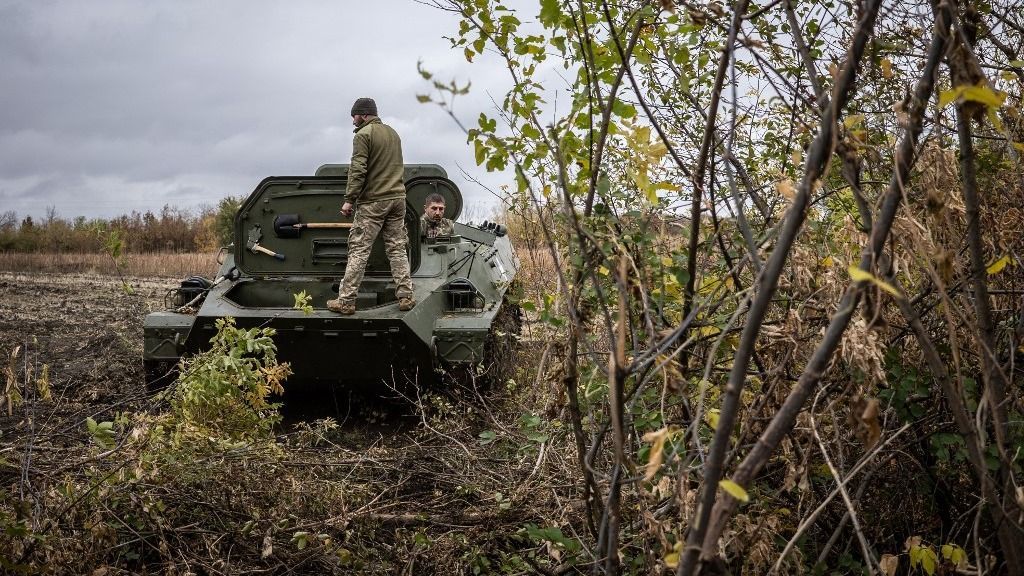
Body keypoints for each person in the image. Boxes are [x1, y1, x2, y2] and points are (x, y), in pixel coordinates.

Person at [327, 98, 415, 315]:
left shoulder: (363, 135)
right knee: (396, 248)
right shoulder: (393, 133)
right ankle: (405, 297)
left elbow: (358, 169)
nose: (352, 119)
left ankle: (346, 301)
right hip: (398, 199)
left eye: (354, 115)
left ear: (364, 114)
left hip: (374, 201)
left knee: (359, 250)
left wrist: (349, 199)